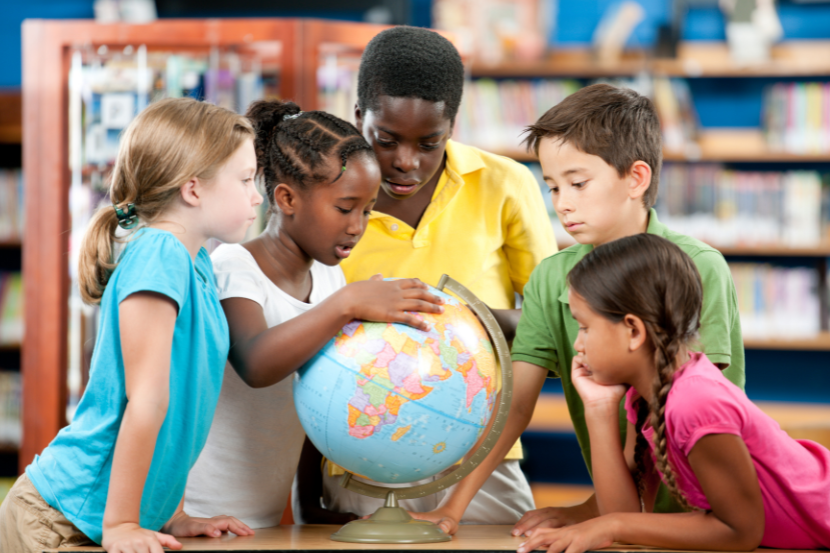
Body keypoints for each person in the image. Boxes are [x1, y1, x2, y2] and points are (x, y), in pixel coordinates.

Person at [420, 83, 747, 535]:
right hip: (626, 512)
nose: (562, 204)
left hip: (713, 515)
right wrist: (451, 508)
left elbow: (681, 404)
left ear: (636, 178)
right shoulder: (551, 278)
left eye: (578, 183)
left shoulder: (697, 266)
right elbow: (515, 407)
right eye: (552, 187)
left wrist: (601, 513)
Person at [293, 25, 557, 527]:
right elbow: (294, 341)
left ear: (453, 126)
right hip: (355, 447)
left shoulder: (505, 185)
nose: (405, 161)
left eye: (429, 142)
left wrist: (465, 319)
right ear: (357, 119)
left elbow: (552, 321)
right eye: (385, 140)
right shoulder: (320, 200)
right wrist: (306, 490)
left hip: (479, 453)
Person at [0, 97, 263, 553]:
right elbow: (146, 399)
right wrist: (122, 522)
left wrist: (171, 514)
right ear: (194, 189)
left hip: (105, 518)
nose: (257, 195)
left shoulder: (195, 260)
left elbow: (185, 407)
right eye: (244, 180)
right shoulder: (159, 253)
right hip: (61, 518)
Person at [183, 99, 444, 529]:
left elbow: (315, 401)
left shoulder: (329, 281)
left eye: (367, 209)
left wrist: (307, 502)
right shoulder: (233, 266)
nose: (357, 226)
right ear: (286, 199)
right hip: (196, 512)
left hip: (260, 519)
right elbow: (255, 361)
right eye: (345, 208)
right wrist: (346, 306)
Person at [518, 234, 830, 553]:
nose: (577, 345)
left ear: (634, 331)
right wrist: (599, 409)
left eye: (584, 327)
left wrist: (610, 526)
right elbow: (623, 511)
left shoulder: (696, 402)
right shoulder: (645, 396)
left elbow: (739, 532)